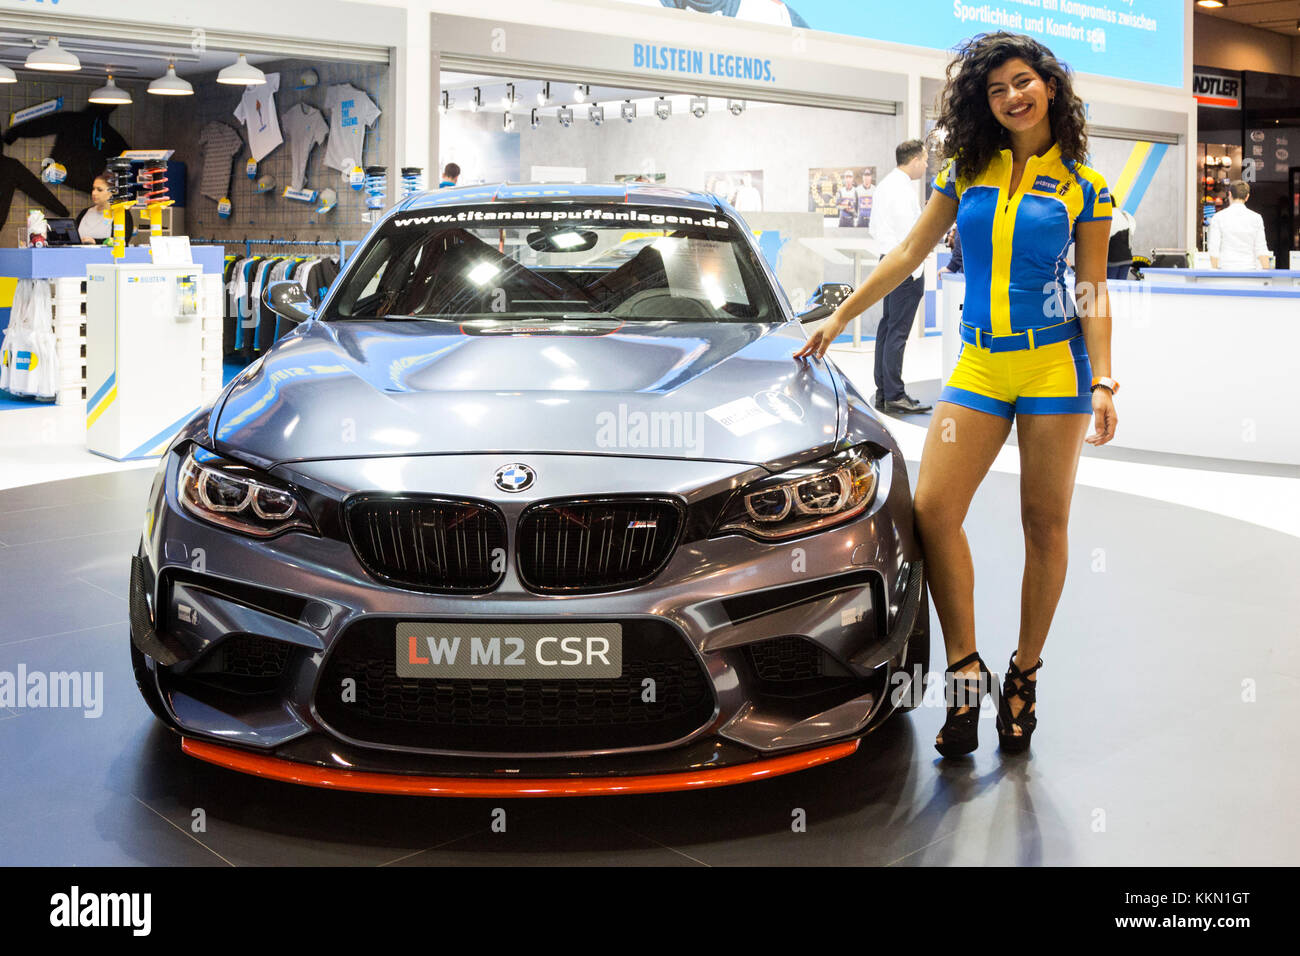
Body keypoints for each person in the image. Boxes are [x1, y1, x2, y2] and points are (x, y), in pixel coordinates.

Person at [795, 31, 1119, 758]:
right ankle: (965, 671)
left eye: (1022, 82)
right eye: (995, 89)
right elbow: (910, 251)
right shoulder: (968, 168)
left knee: (1045, 524)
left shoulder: (1085, 184)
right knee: (934, 511)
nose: (1011, 96)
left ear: (1051, 85)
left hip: (1053, 369)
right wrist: (841, 316)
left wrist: (1102, 378)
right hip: (977, 364)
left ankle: (1026, 674)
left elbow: (1094, 288)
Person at [868, 139, 931, 414]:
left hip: (888, 262)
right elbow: (911, 235)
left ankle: (884, 390)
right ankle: (894, 394)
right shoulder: (902, 190)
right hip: (905, 267)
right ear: (915, 160)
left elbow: (875, 228)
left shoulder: (884, 186)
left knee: (888, 327)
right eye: (926, 160)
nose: (927, 165)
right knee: (898, 331)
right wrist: (916, 268)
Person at [1208, 180, 1270, 270]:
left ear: (1229, 194)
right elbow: (1261, 248)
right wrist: (1267, 273)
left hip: (1225, 269)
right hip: (1250, 270)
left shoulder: (1218, 217)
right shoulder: (1256, 218)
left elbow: (1213, 249)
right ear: (1247, 197)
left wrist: (1215, 271)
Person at [75, 171, 134, 245]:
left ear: (112, 192)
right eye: (93, 189)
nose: (94, 193)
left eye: (99, 190)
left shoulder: (121, 213)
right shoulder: (85, 212)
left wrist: (95, 242)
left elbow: (122, 241)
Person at [1107, 201, 1136, 280]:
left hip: (1113, 259)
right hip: (1127, 258)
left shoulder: (1108, 216)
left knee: (1109, 287)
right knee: (1121, 287)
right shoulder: (1125, 215)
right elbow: (1132, 232)